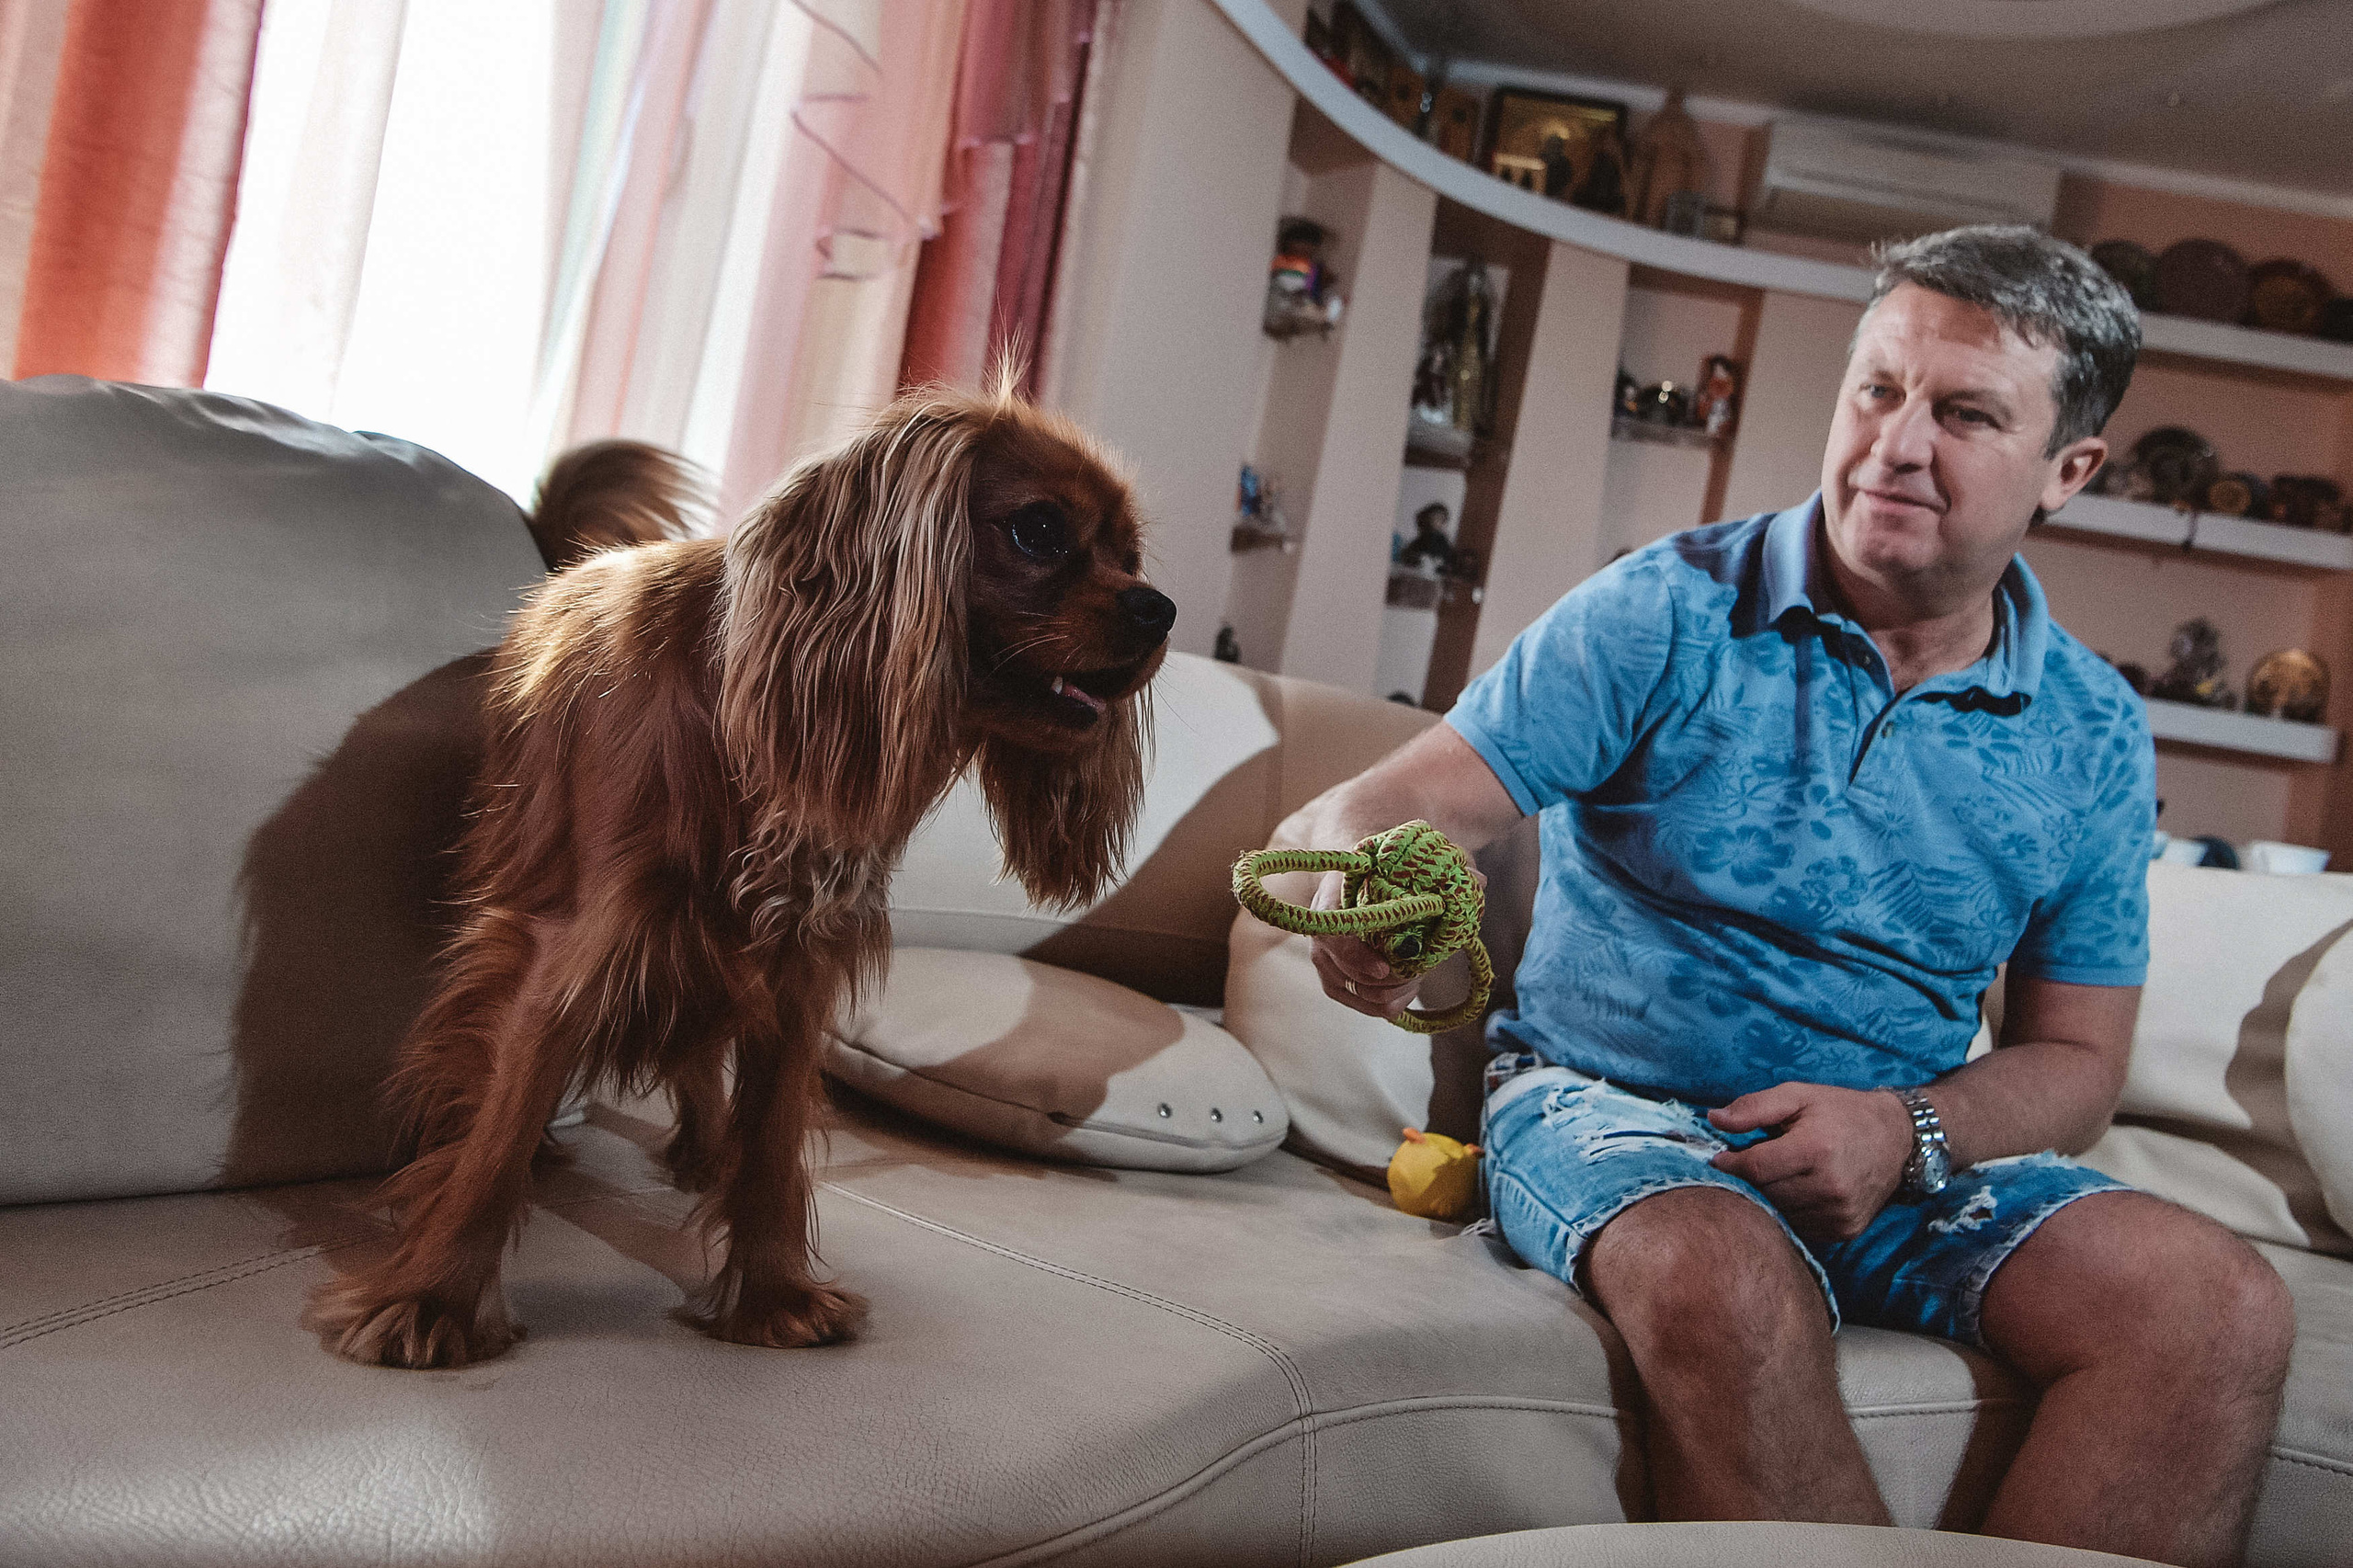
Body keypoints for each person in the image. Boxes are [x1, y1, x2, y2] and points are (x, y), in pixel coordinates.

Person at [1296, 226, 2292, 1568]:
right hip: (1613, 1109)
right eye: (1875, 388)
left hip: (1905, 1154)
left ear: (2069, 470)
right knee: (1717, 1263)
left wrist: (1905, 1126)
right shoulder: (1664, 609)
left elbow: (2078, 1060)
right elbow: (1388, 803)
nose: (1892, 442)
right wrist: (1354, 878)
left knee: (2216, 1303)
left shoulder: (2095, 730)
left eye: (1963, 412)